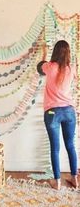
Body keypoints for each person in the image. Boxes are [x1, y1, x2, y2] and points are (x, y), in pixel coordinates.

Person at [37, 40, 79, 190]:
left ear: (55, 52)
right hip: (69, 111)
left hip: (52, 112)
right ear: (68, 53)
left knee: (55, 148)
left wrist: (43, 51)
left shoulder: (49, 67)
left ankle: (57, 182)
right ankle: (75, 179)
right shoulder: (72, 68)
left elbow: (39, 67)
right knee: (70, 145)